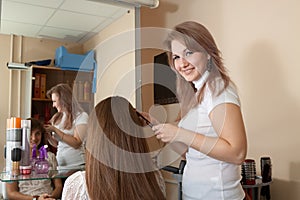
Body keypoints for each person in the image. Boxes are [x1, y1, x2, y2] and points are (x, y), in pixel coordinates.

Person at [151, 21, 248, 199]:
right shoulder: (196, 94)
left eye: (189, 53)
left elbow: (237, 153)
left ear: (208, 53)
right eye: (176, 57)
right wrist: (161, 129)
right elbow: (190, 151)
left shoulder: (218, 89)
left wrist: (179, 133)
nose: (182, 63)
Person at [61, 96, 166, 200]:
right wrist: (154, 123)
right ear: (135, 136)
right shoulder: (154, 180)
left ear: (94, 138)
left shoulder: (78, 185)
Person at [6, 118, 62, 200]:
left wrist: (49, 197)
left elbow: (58, 186)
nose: (34, 138)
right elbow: (11, 193)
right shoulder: (16, 157)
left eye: (37, 134)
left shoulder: (50, 157)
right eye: (30, 134)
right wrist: (36, 198)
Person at [44, 83, 88, 169]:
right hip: (60, 166)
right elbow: (57, 144)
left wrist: (56, 130)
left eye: (54, 101)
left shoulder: (81, 116)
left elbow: (76, 143)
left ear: (63, 99)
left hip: (77, 166)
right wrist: (48, 136)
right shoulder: (57, 118)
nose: (53, 105)